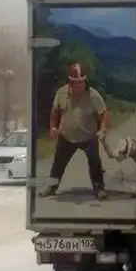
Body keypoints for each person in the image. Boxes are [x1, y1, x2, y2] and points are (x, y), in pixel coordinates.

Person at [39, 63, 110, 200]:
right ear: (70, 82)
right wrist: (53, 127)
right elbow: (55, 111)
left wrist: (103, 129)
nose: (80, 85)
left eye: (82, 82)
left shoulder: (93, 95)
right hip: (66, 136)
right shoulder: (61, 93)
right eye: (77, 82)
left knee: (94, 161)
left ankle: (99, 188)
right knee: (58, 163)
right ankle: (52, 187)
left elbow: (104, 113)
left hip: (88, 136)